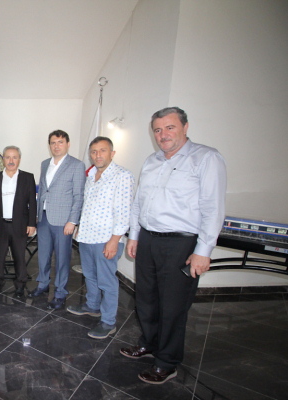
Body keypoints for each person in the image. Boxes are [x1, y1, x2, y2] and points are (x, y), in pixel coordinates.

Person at [121, 107, 226, 384]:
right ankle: (149, 343)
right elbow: (139, 203)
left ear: (185, 127)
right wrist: (134, 236)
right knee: (146, 299)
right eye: (157, 130)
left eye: (170, 128)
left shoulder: (206, 158)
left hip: (181, 243)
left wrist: (203, 251)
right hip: (148, 239)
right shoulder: (152, 161)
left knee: (172, 306)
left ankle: (167, 361)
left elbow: (213, 209)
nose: (163, 134)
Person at [66, 137, 134, 339]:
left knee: (106, 281)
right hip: (87, 236)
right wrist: (80, 227)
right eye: (94, 151)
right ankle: (92, 305)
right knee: (90, 275)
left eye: (102, 150)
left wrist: (114, 240)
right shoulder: (91, 175)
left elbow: (124, 212)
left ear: (112, 153)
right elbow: (87, 205)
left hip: (106, 239)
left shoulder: (122, 176)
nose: (98, 155)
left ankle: (108, 322)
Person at [28, 130, 86, 310]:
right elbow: (43, 191)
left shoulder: (76, 165)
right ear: (49, 145)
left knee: (62, 258)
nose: (56, 146)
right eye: (53, 142)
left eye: (60, 142)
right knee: (43, 255)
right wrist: (37, 215)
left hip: (63, 220)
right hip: (44, 217)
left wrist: (73, 221)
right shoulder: (45, 164)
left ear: (68, 144)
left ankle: (60, 292)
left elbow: (78, 196)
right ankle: (43, 284)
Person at [0, 146, 37, 298]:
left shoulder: (28, 178)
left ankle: (20, 284)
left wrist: (32, 223)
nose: (11, 160)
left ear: (19, 159)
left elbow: (32, 203)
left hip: (20, 225)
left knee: (19, 256)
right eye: (8, 157)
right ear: (3, 159)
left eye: (14, 157)